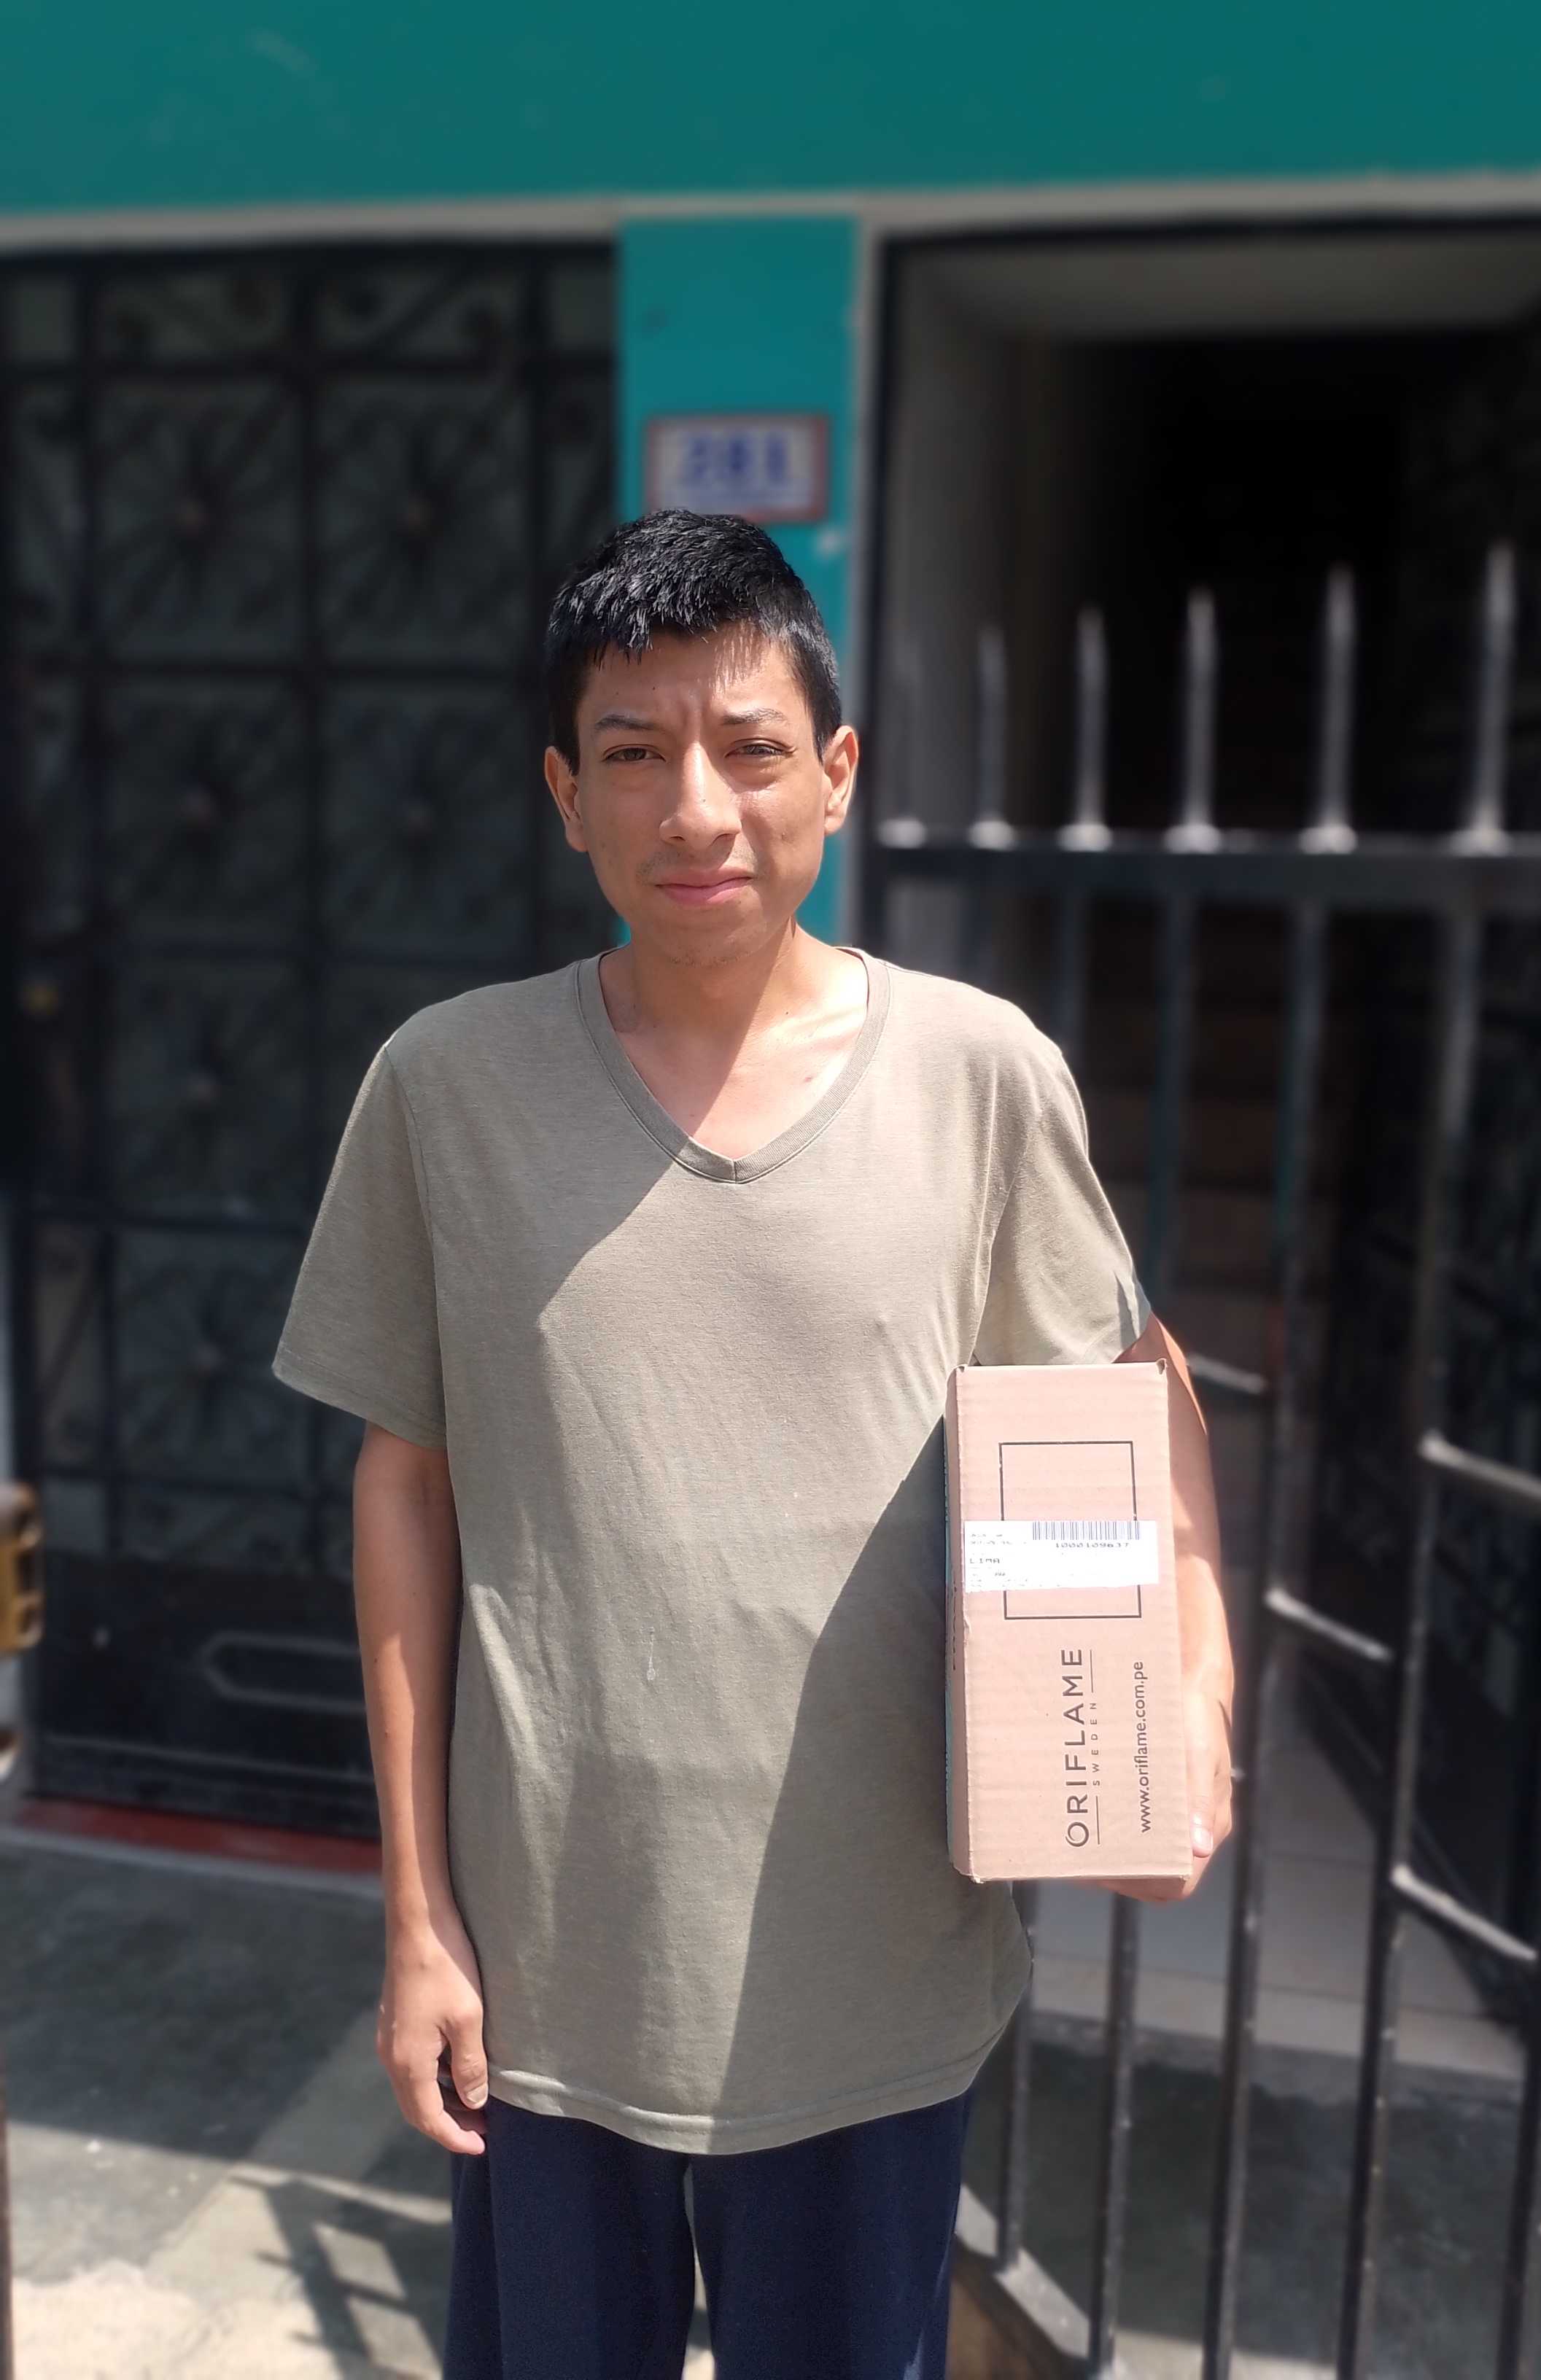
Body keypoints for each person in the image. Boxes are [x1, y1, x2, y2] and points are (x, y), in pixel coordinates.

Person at [271, 508, 1233, 2379]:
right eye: (634, 754)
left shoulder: (977, 1075)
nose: (695, 808)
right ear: (565, 794)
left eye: (750, 748)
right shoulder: (445, 1088)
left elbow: (1132, 1391)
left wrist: (1186, 1702)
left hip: (876, 1974)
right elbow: (406, 1483)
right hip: (552, 1985)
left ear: (838, 774)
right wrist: (417, 1919)